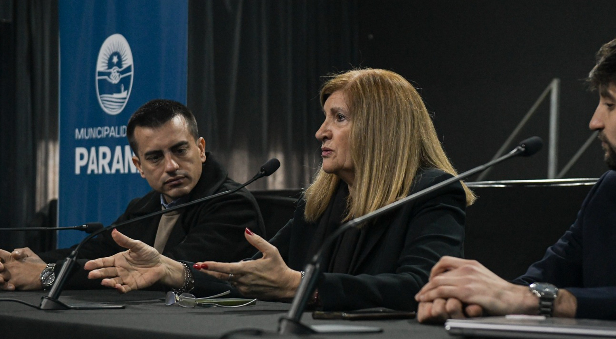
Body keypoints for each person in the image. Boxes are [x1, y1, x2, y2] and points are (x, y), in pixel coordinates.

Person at [85, 68, 473, 311]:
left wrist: (304, 286)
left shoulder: (432, 192)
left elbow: (420, 285)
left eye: (338, 118)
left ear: (381, 128)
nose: (321, 132)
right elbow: (252, 275)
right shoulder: (322, 202)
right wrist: (172, 271)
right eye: (324, 118)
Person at [416, 25, 616, 325]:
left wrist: (540, 301)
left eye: (610, 104)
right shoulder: (615, 191)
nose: (595, 122)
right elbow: (544, 278)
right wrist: (477, 301)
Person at [0, 99, 264, 291]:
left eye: (179, 150)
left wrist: (46, 274)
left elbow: (160, 270)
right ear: (139, 166)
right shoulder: (145, 206)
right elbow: (94, 251)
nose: (171, 166)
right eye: (155, 157)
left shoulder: (232, 205)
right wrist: (26, 262)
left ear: (200, 149)